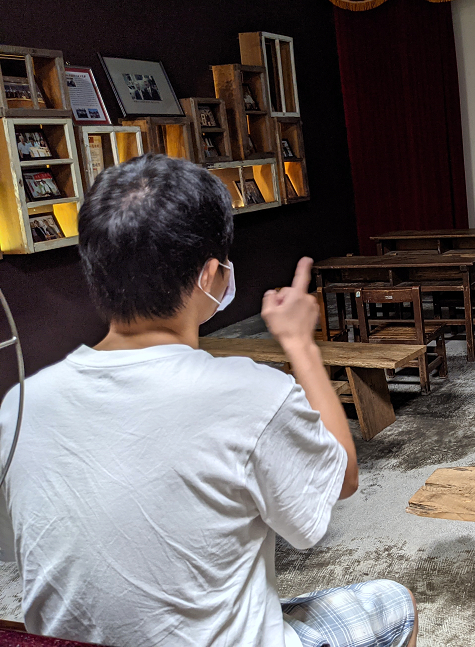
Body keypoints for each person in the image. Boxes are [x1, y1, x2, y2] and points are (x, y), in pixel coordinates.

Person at [0, 154, 417, 647]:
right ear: (211, 274)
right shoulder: (251, 393)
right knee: (395, 602)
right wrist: (302, 345)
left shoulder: (21, 404)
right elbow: (340, 479)